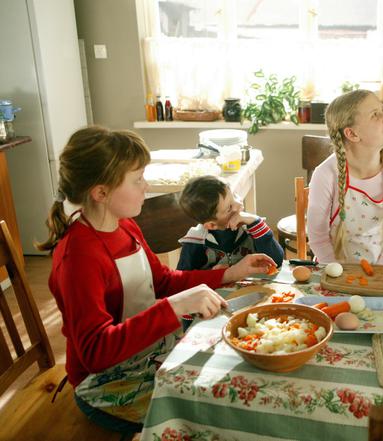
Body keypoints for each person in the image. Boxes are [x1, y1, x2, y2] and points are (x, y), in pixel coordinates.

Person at [36, 126, 275, 433]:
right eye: (137, 180)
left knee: (233, 367)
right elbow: (95, 353)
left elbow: (161, 281)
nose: (146, 187)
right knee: (219, 401)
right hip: (106, 383)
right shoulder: (79, 256)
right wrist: (173, 307)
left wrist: (231, 273)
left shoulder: (124, 226)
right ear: (101, 193)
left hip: (144, 353)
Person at [307, 90, 383, 267]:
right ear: (352, 134)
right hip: (335, 268)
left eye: (382, 110)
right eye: (375, 115)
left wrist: (378, 276)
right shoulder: (325, 174)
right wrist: (341, 276)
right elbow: (318, 239)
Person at [176, 175, 284, 271]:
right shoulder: (196, 241)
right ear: (212, 225)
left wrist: (256, 222)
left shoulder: (251, 227)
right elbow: (183, 282)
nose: (238, 204)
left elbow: (276, 262)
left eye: (234, 196)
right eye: (229, 207)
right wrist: (213, 274)